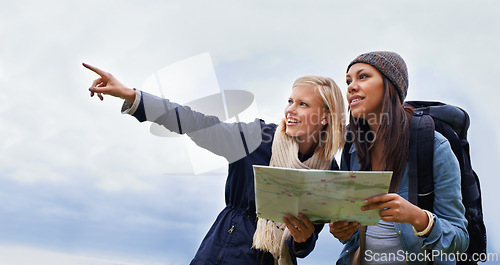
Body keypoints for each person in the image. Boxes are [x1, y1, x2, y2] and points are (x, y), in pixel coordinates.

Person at [83, 63, 346, 265]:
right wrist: (131, 95)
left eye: (302, 104)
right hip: (225, 251)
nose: (290, 109)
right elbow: (194, 122)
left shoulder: (329, 172)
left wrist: (303, 239)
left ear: (326, 117)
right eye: (290, 101)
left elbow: (308, 240)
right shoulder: (256, 137)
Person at [329, 51, 469, 265]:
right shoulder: (352, 148)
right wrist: (345, 232)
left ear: (391, 85)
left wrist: (418, 218)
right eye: (348, 80)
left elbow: (460, 241)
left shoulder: (434, 147)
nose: (351, 86)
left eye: (363, 76)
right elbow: (357, 236)